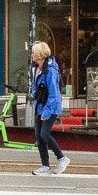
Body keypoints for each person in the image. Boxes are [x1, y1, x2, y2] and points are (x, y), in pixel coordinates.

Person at [30, 41, 69, 176]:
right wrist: (33, 94)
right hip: (40, 105)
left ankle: (62, 158)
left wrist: (46, 112)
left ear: (40, 55)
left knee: (44, 134)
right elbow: (36, 87)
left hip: (50, 107)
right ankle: (45, 166)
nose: (32, 54)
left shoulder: (50, 70)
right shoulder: (37, 68)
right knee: (39, 137)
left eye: (34, 52)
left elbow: (54, 94)